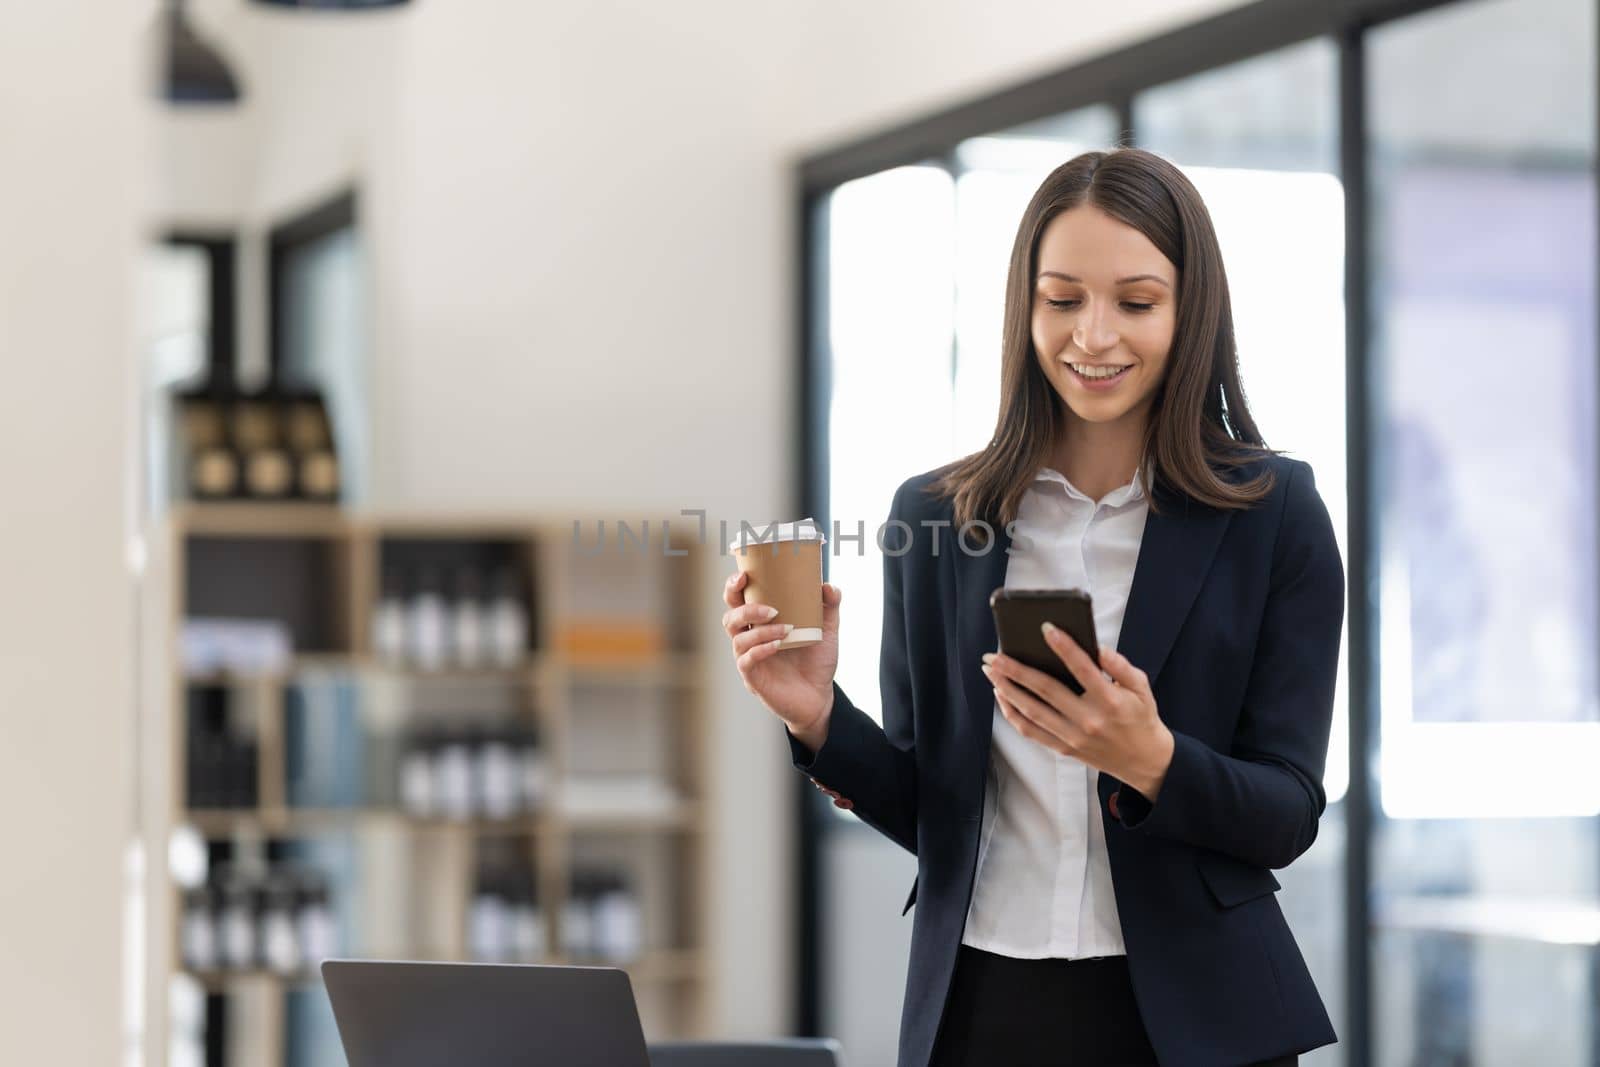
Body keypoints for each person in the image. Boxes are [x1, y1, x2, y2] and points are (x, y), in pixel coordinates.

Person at [722, 147, 1343, 1067]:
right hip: (984, 1009)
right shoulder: (935, 517)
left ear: (1191, 310)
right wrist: (817, 714)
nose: (1093, 336)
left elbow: (1287, 812)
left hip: (1199, 1022)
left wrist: (1150, 757)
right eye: (1062, 300)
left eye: (1136, 302)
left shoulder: (1272, 513)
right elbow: (933, 805)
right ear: (1025, 307)